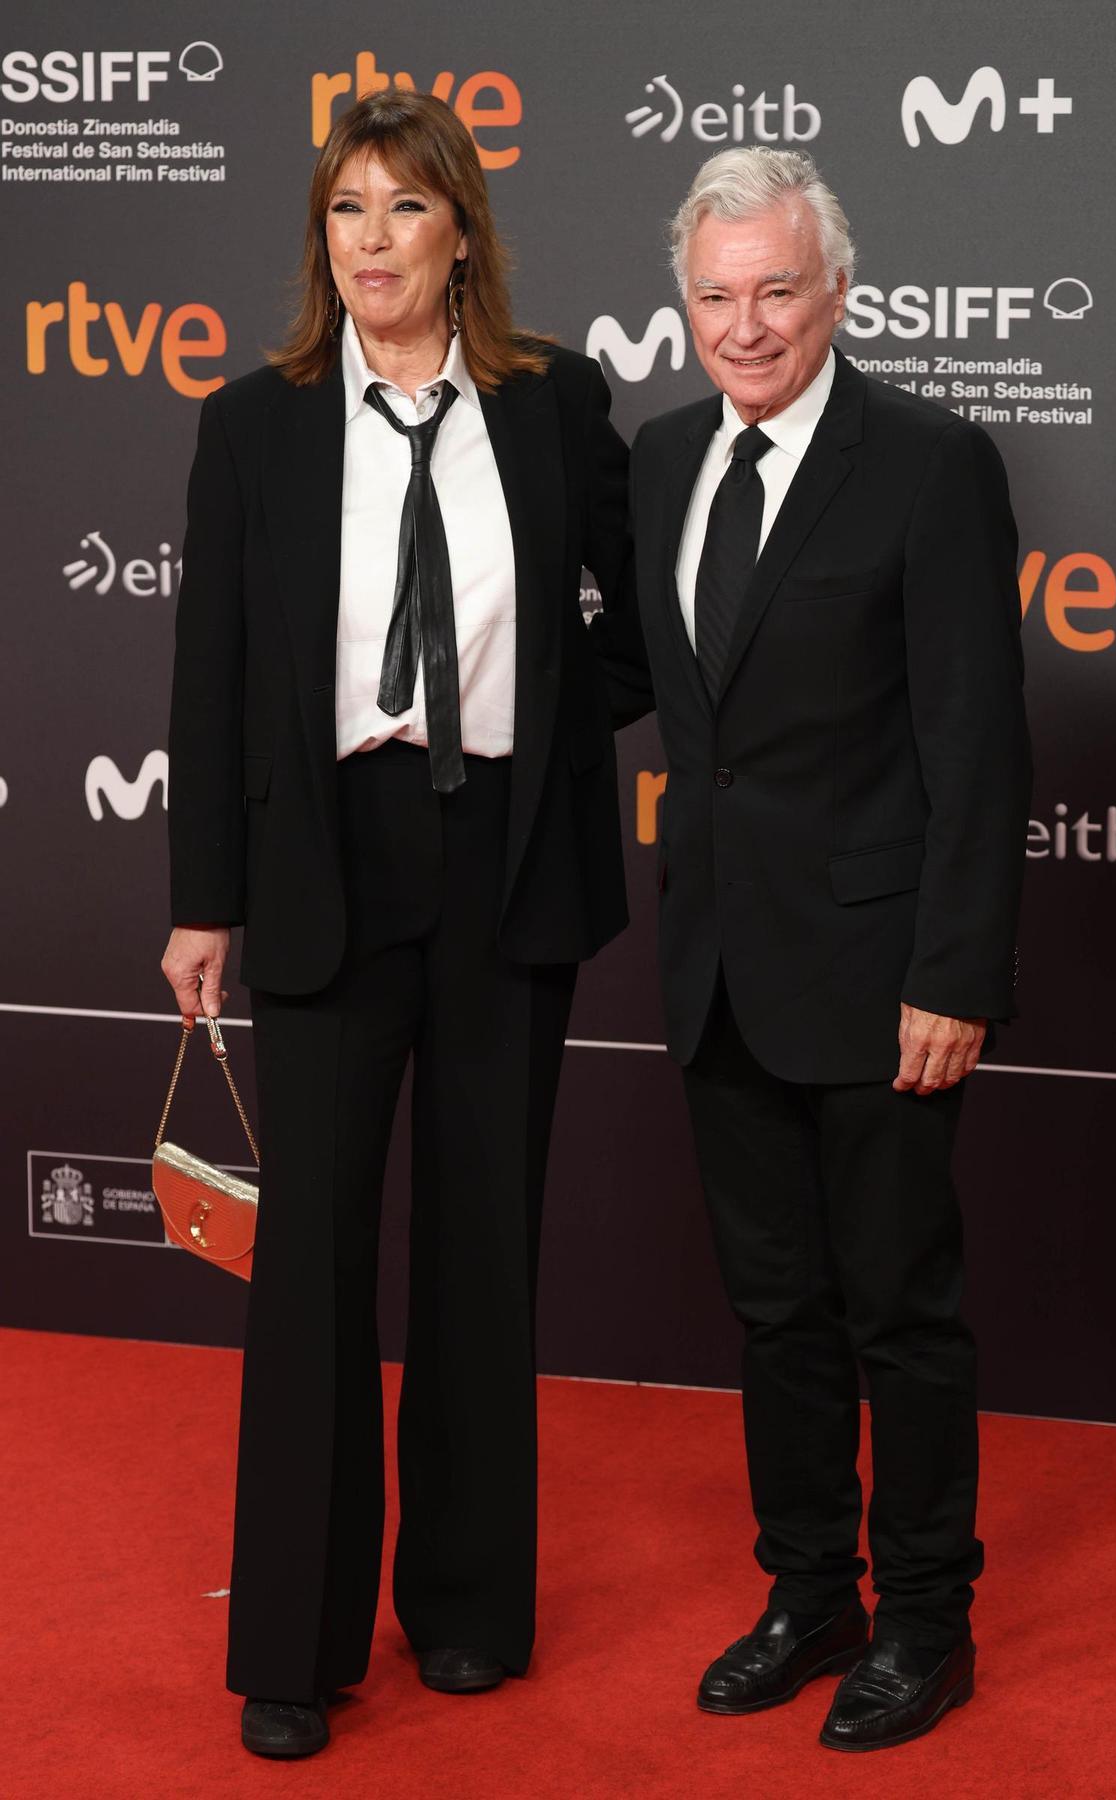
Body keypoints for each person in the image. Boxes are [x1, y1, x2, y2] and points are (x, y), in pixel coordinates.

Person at [160, 89, 630, 1760]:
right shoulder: (258, 425)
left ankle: (468, 1611)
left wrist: (548, 741)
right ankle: (291, 1645)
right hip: (325, 875)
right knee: (313, 1271)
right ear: (324, 240)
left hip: (505, 865)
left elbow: (628, 630)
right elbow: (210, 674)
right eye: (346, 211)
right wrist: (200, 896)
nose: (372, 241)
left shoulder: (560, 405)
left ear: (461, 236)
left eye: (404, 210)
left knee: (483, 1255)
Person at [595, 147, 1031, 1751]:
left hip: (878, 974)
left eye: (777, 289)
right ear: (686, 303)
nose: (747, 323)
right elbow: (645, 681)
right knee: (774, 1312)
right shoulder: (656, 461)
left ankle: (925, 1615)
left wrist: (958, 971)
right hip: (714, 957)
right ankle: (810, 1592)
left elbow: (979, 742)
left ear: (836, 288)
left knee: (896, 1309)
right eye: (716, 295)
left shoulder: (928, 461)